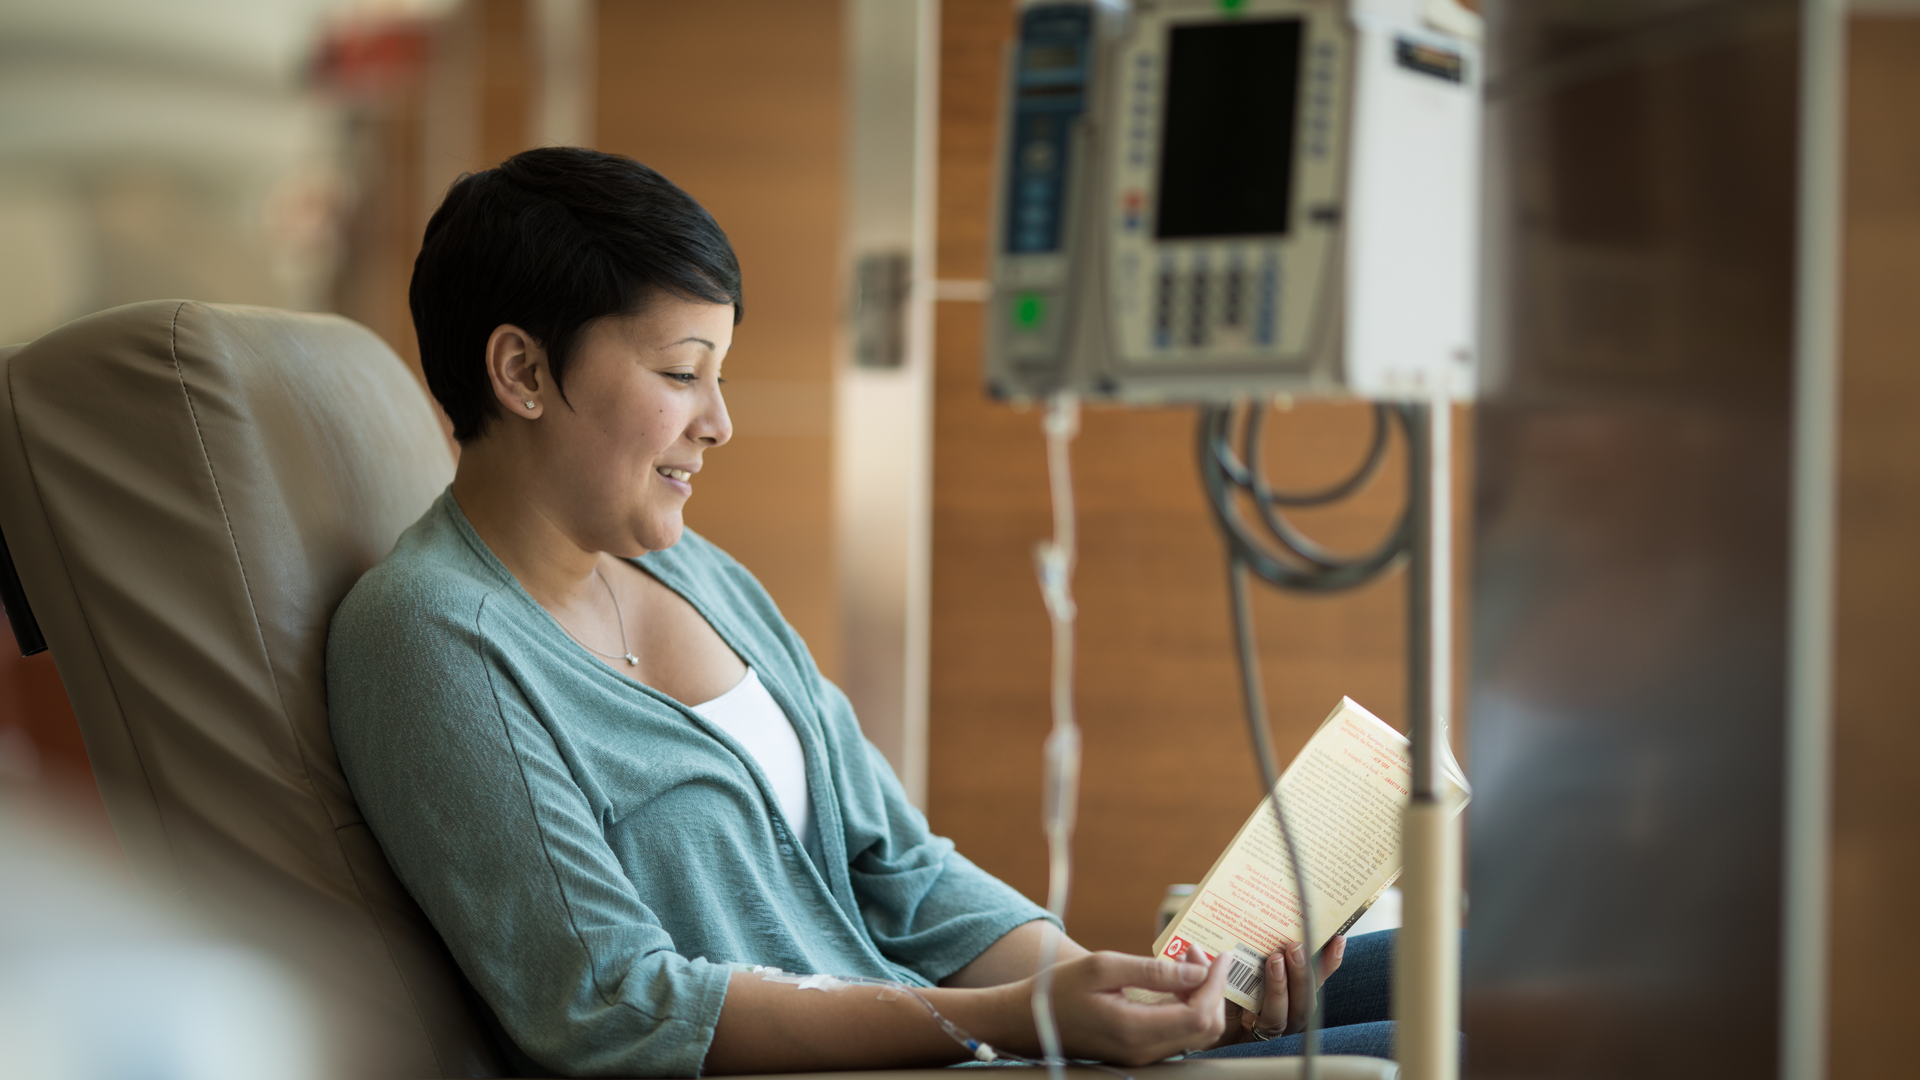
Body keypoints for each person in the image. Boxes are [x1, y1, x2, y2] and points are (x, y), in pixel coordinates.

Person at [326, 146, 1394, 1077]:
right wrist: (1006, 1021)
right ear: (520, 370)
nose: (721, 423)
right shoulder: (432, 637)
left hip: (952, 1041)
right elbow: (609, 1003)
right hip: (886, 1063)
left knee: (1459, 983)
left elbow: (905, 873)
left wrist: (1122, 998)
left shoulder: (699, 575)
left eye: (723, 374)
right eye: (682, 373)